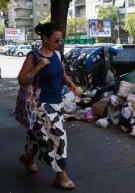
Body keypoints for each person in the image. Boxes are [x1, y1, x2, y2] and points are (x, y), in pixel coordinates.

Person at [17, 22, 79, 190]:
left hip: (57, 102)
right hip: (40, 105)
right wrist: (38, 66)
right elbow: (22, 79)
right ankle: (61, 175)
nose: (59, 43)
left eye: (61, 40)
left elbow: (62, 74)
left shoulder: (58, 55)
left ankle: (28, 157)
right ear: (44, 38)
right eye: (56, 40)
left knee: (37, 134)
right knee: (58, 137)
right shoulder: (33, 56)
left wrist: (71, 84)